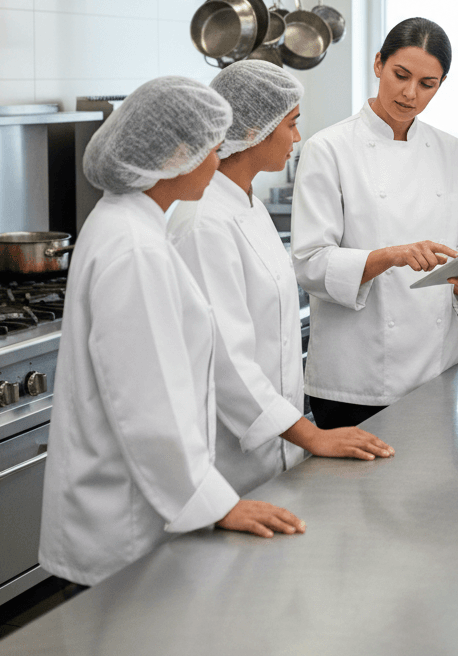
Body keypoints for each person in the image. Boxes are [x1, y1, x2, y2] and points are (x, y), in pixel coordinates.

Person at [39, 76, 305, 588]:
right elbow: (149, 402)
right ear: (173, 156)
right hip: (126, 520)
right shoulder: (135, 248)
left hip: (130, 505)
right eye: (210, 150)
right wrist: (216, 503)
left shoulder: (129, 224)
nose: (216, 162)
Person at [168, 60, 394, 496]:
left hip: (273, 448)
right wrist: (313, 436)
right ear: (252, 130)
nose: (297, 137)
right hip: (225, 457)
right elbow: (227, 361)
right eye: (291, 125)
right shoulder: (205, 222)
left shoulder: (247, 205)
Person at [291, 18, 458, 428]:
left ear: (441, 84)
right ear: (378, 64)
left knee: (431, 489)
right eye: (401, 75)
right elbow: (309, 262)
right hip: (354, 379)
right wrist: (392, 255)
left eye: (427, 83)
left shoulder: (452, 153)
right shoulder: (328, 149)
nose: (410, 93)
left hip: (436, 371)